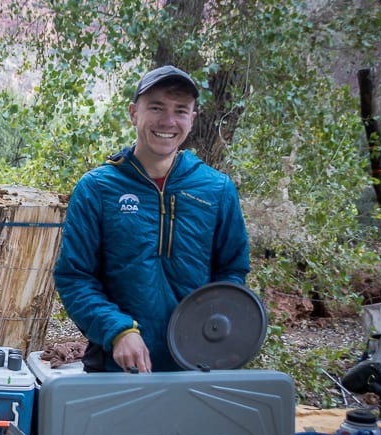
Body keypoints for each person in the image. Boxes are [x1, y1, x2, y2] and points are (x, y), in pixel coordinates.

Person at [53, 65, 250, 373]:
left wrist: (214, 333)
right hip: (115, 366)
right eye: (156, 107)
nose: (168, 122)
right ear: (134, 113)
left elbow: (232, 272)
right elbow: (75, 277)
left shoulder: (217, 190)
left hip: (197, 366)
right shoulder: (97, 189)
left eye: (180, 111)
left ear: (192, 119)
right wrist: (118, 329)